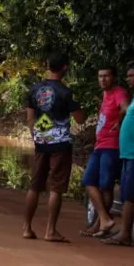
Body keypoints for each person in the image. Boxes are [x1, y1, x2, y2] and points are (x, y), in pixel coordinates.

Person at [23, 52, 85, 243]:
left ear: (48, 65)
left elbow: (30, 118)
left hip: (41, 141)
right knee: (56, 187)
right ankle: (50, 231)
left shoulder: (34, 89)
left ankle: (27, 228)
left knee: (35, 185)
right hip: (60, 143)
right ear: (65, 67)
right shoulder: (65, 92)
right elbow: (80, 118)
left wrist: (38, 135)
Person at [101, 60, 134, 246]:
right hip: (130, 154)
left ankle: (125, 233)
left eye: (132, 75)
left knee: (130, 195)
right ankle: (126, 232)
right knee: (128, 193)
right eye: (127, 76)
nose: (128, 79)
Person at [80, 66, 130, 238]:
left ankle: (99, 225)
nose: (103, 79)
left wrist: (121, 121)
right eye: (100, 76)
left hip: (112, 146)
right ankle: (103, 219)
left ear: (114, 77)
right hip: (100, 145)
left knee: (105, 186)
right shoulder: (105, 94)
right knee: (88, 180)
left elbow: (126, 108)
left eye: (107, 76)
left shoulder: (119, 92)